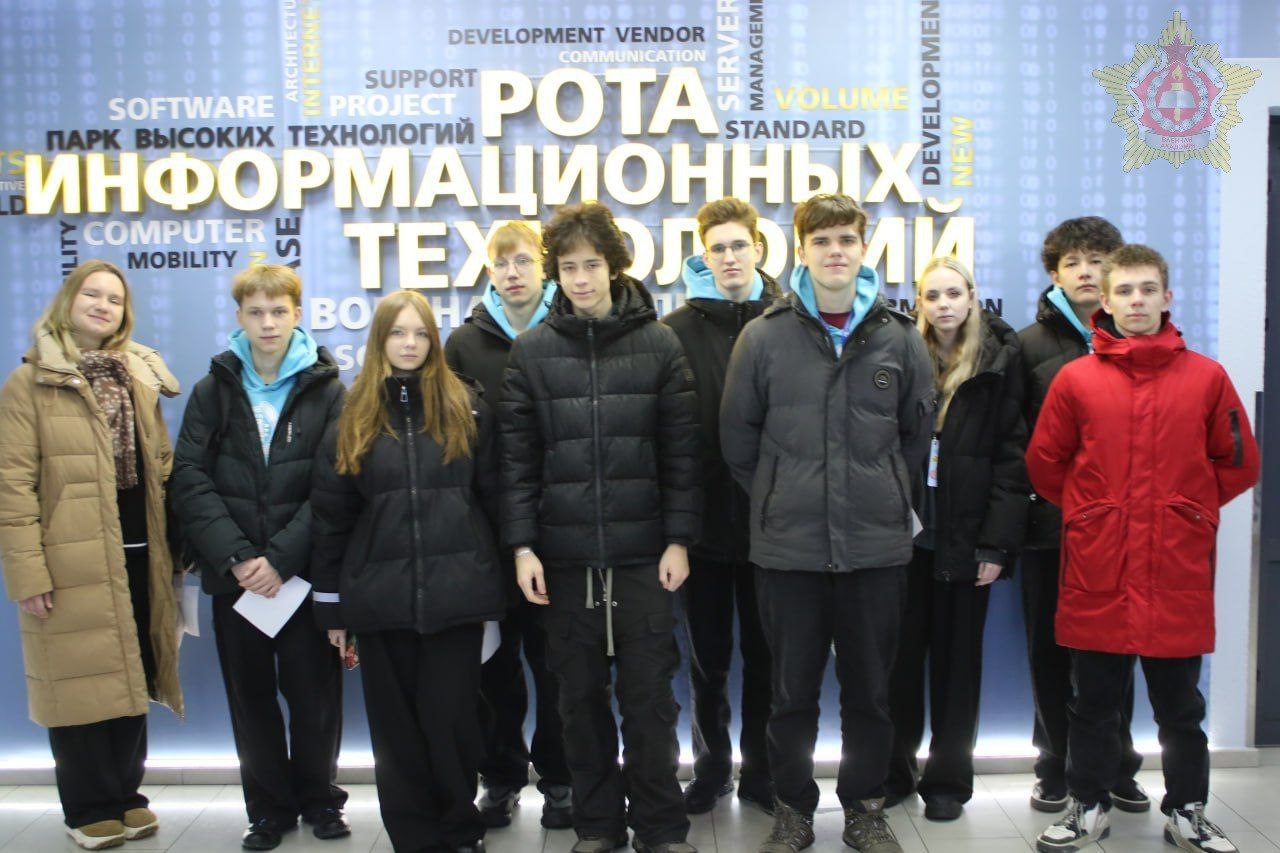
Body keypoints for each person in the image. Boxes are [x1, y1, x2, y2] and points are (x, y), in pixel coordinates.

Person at [720, 193, 934, 853]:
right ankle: (793, 811)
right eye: (822, 241)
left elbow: (915, 438)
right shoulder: (763, 337)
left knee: (871, 693)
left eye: (846, 239)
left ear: (863, 248)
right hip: (789, 551)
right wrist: (783, 497)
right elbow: (738, 440)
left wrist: (879, 494)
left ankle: (866, 809)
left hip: (876, 549)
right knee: (790, 695)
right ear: (801, 250)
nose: (835, 251)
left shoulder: (900, 336)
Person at [1027, 244, 1259, 853]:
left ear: (1167, 297)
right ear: (1104, 301)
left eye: (1147, 289)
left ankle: (1188, 810)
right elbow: (1045, 464)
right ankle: (1088, 805)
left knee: (1181, 708)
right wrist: (1093, 512)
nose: (1136, 301)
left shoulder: (1206, 378)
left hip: (1174, 565)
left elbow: (1239, 461)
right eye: (1125, 291)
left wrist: (1188, 511)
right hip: (1099, 564)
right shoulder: (1076, 379)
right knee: (1092, 705)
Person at [499, 202, 701, 853]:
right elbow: (516, 462)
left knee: (651, 704)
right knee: (577, 704)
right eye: (568, 267)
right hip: (564, 560)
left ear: (614, 266)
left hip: (645, 559)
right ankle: (597, 826)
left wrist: (679, 539)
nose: (581, 278)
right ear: (554, 273)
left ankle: (661, 828)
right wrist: (522, 547)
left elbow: (682, 454)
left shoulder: (660, 343)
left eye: (591, 264)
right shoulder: (531, 352)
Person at [311, 290, 505, 853]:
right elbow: (331, 519)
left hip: (457, 598)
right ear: (380, 341)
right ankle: (414, 837)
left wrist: (500, 582)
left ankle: (459, 830)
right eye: (398, 332)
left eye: (420, 333)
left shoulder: (467, 408)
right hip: (380, 602)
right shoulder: (351, 417)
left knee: (452, 724)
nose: (410, 343)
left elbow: (494, 499)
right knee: (396, 734)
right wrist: (332, 607)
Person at [0, 260, 183, 850]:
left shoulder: (137, 377)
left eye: (115, 299)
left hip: (139, 553)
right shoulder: (29, 383)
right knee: (77, 682)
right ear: (68, 302)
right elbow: (12, 487)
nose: (104, 306)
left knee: (133, 675)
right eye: (92, 295)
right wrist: (27, 571)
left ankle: (126, 794)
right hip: (68, 560)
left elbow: (161, 467)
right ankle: (87, 805)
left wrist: (176, 549)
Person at [169, 264, 349, 850]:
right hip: (236, 581)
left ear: (297, 314)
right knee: (251, 702)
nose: (267, 323)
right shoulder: (213, 389)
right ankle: (268, 811)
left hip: (303, 579)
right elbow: (189, 478)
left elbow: (335, 482)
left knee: (315, 699)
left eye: (278, 311)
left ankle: (321, 801)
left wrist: (282, 560)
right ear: (239, 317)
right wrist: (239, 558)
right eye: (256, 312)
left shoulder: (329, 390)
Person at [885, 257, 1028, 821]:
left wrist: (996, 546)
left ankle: (946, 783)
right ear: (919, 303)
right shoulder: (901, 355)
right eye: (932, 295)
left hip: (968, 542)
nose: (943, 304)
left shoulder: (999, 361)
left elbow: (1012, 460)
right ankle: (895, 773)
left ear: (972, 297)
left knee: (958, 669)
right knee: (898, 666)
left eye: (953, 293)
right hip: (905, 543)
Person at [443, 222, 572, 830]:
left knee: (558, 667)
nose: (513, 272)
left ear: (543, 267)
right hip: (488, 537)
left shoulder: (569, 329)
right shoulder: (462, 345)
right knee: (493, 670)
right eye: (502, 263)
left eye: (523, 260)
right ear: (489, 272)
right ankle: (499, 778)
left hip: (560, 530)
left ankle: (561, 779)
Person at [1017, 217, 1148, 814]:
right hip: (1049, 528)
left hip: (1124, 531)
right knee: (1050, 651)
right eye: (1073, 262)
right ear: (1055, 274)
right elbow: (1016, 442)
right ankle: (1054, 766)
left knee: (1118, 650)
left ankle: (1118, 765)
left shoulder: (1142, 342)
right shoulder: (1027, 346)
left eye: (1097, 260)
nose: (1087, 272)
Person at [662, 197, 780, 816]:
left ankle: (762, 773)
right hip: (702, 528)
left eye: (739, 245)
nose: (730, 257)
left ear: (758, 249)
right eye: (718, 249)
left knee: (768, 659)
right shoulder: (676, 331)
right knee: (706, 662)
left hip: (773, 526)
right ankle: (711, 772)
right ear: (703, 257)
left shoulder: (789, 319)